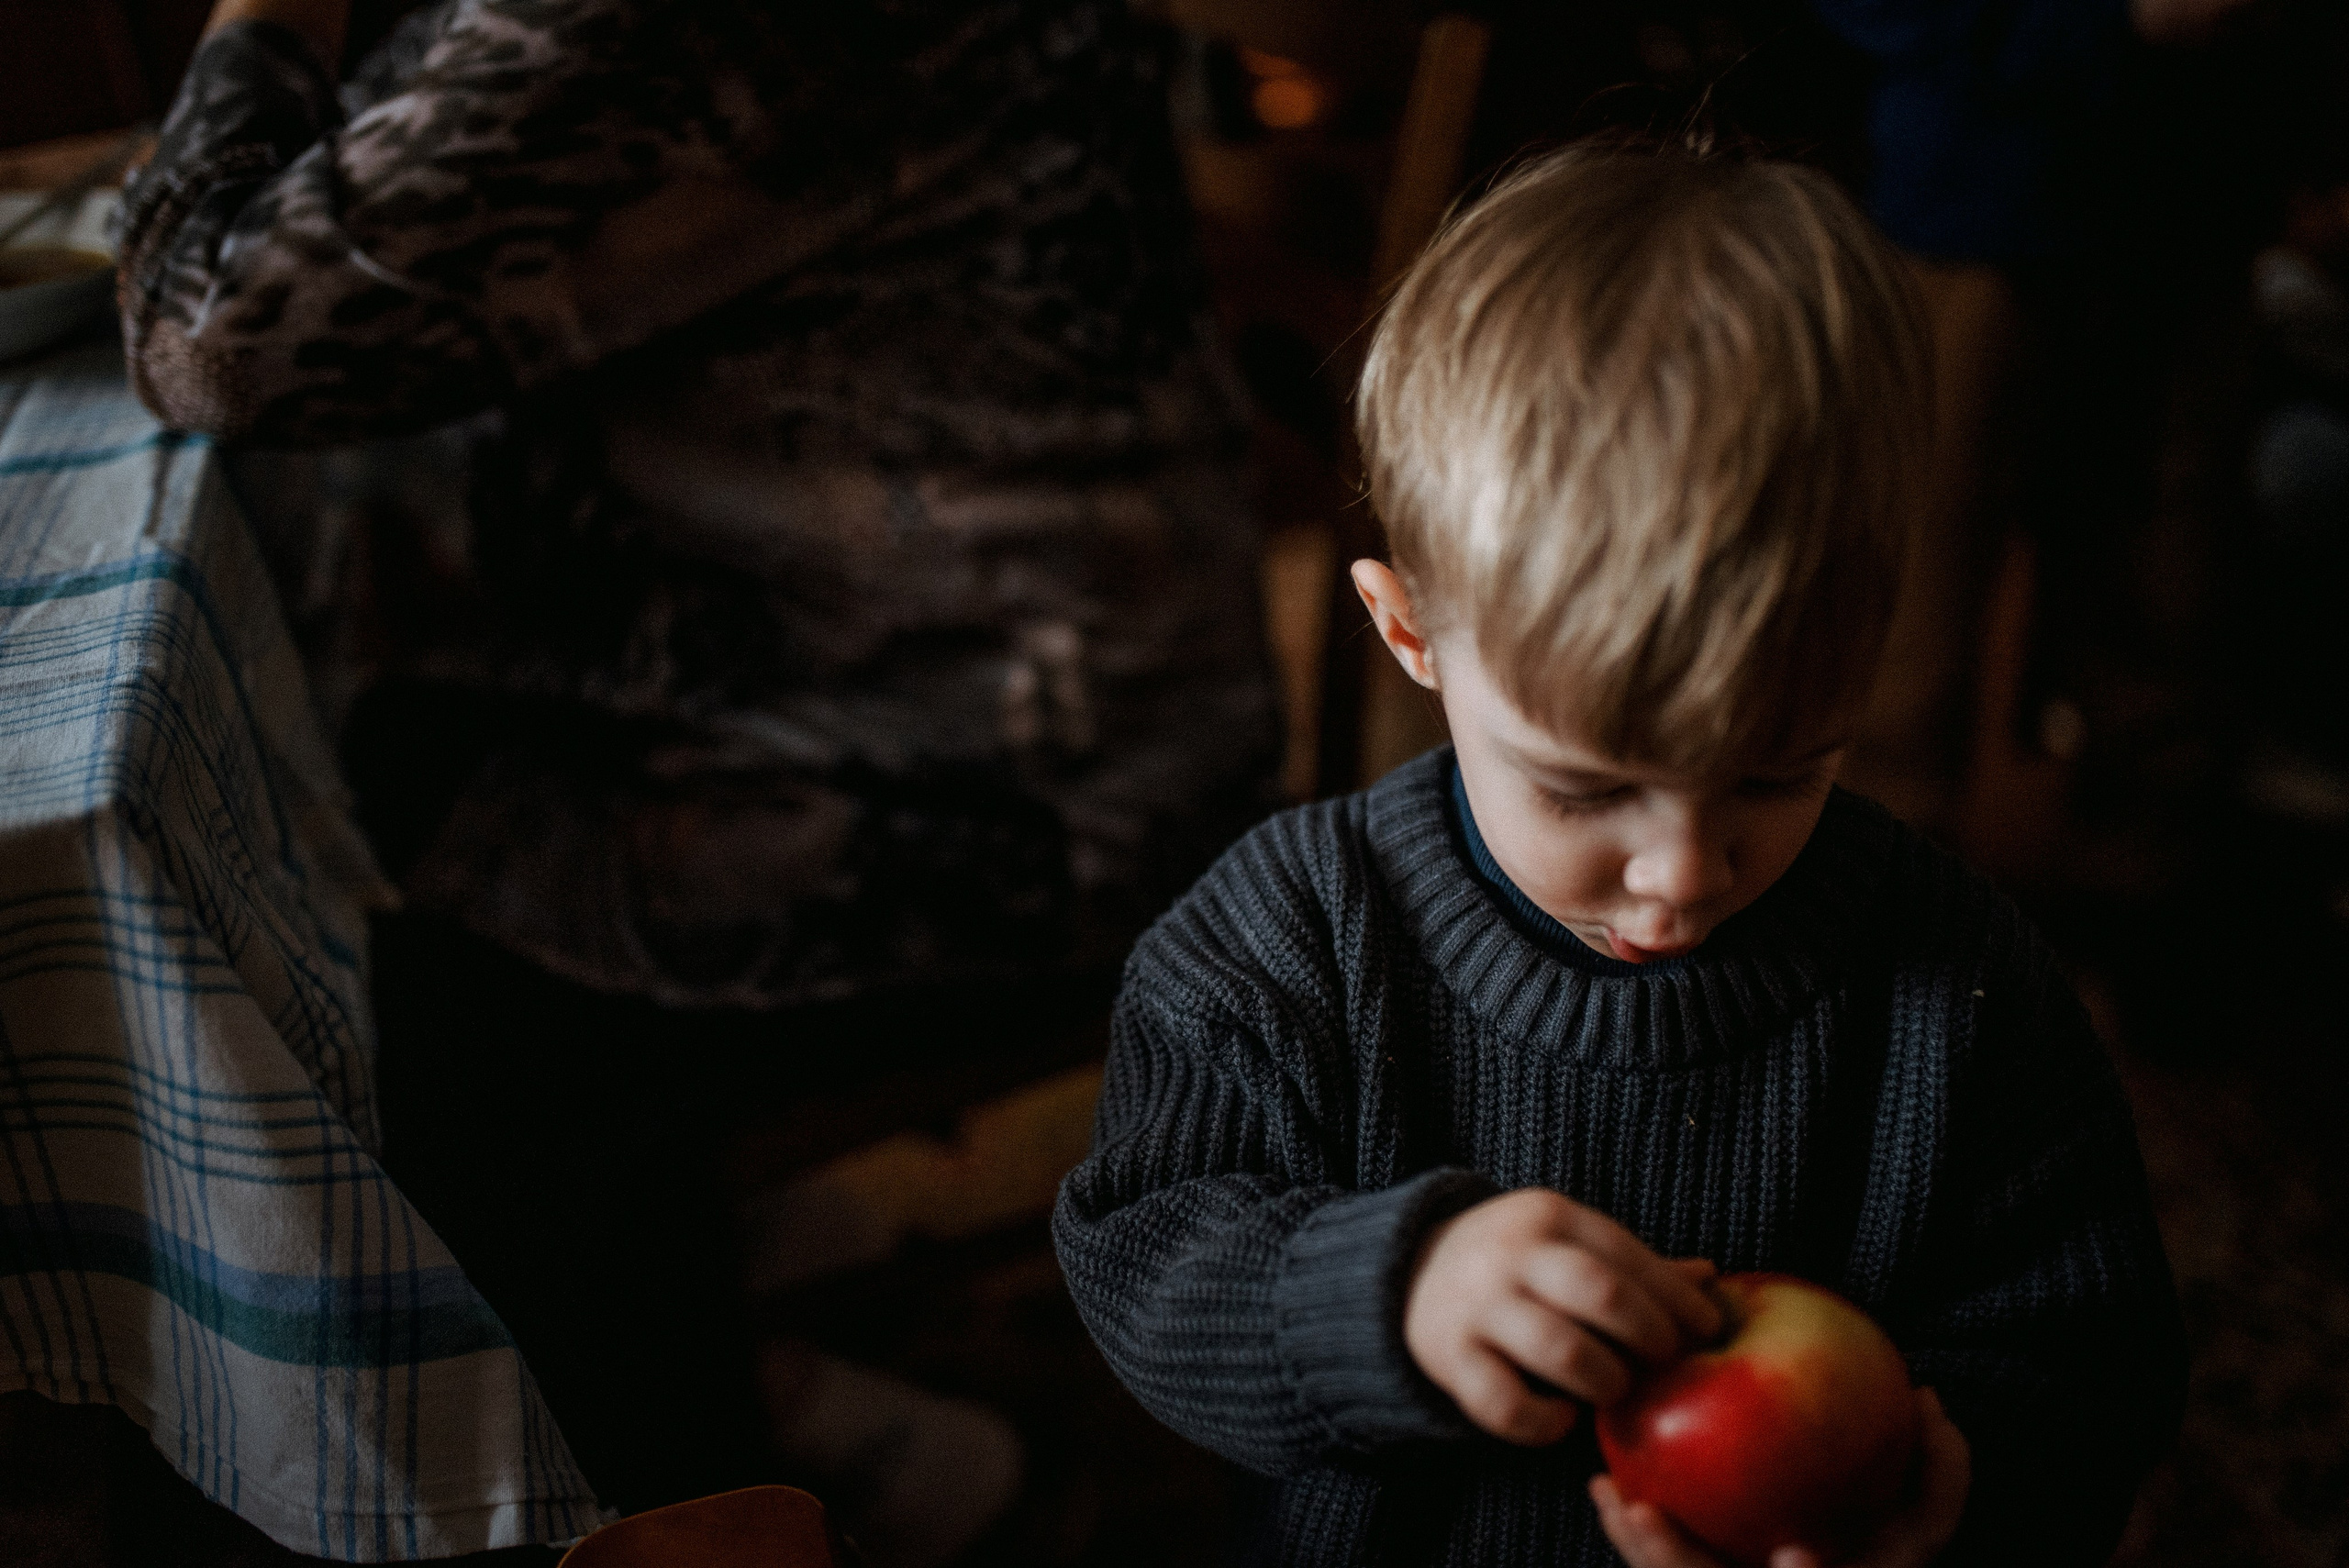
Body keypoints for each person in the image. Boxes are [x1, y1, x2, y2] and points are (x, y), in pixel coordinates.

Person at [117, 0, 1278, 1551]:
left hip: (994, 781)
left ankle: (686, 1465)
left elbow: (221, 340)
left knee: (323, 983)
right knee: (303, 800)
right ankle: (731, 1335)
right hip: (995, 671)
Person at [1053, 139, 2186, 1568]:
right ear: (1410, 634)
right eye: (1588, 791)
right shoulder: (1285, 940)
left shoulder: (1962, 987)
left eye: (1778, 771)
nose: (1684, 870)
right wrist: (1390, 1296)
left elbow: (2098, 1361)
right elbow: (1145, 1253)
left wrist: (1957, 1497)